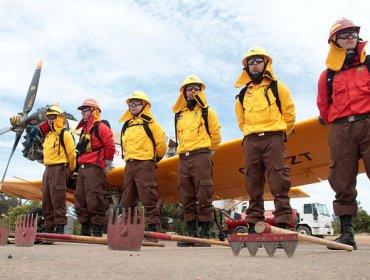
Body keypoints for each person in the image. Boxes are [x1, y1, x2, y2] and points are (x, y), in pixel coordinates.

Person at [317, 18, 370, 250]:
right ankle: (347, 233)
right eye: (344, 35)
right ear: (334, 42)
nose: (350, 37)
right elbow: (323, 107)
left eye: (353, 34)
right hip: (340, 128)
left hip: (368, 122)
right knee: (341, 178)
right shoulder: (327, 75)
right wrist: (339, 124)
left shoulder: (368, 64)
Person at [234, 47, 296, 234]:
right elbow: (241, 120)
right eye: (250, 62)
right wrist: (251, 133)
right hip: (251, 141)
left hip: (274, 138)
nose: (254, 65)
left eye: (258, 61)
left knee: (279, 180)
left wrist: (280, 133)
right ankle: (253, 223)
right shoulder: (243, 94)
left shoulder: (278, 87)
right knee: (253, 181)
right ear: (246, 67)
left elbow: (289, 115)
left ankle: (283, 223)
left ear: (266, 64)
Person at [172, 75, 221, 246]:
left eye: (196, 88)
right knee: (186, 195)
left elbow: (216, 136)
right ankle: (191, 233)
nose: (192, 91)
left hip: (201, 155)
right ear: (184, 93)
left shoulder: (208, 112)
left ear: (201, 91)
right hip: (183, 158)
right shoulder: (179, 115)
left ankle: (204, 234)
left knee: (204, 193)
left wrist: (206, 153)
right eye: (189, 89)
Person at [118, 91, 167, 235]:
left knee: (148, 196)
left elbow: (162, 147)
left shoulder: (151, 124)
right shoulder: (126, 125)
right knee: (127, 198)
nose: (132, 105)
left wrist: (151, 160)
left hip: (145, 164)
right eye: (130, 103)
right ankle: (128, 230)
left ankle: (153, 230)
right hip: (129, 165)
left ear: (144, 105)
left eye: (136, 102)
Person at [74, 98, 115, 237]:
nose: (82, 113)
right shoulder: (84, 130)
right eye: (82, 110)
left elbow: (110, 146)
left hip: (95, 168)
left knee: (95, 197)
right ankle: (84, 227)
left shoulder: (101, 127)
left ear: (94, 111)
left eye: (85, 110)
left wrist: (106, 163)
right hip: (82, 168)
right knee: (79, 198)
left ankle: (97, 227)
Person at [38, 105, 76, 234]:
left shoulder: (65, 134)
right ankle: (48, 225)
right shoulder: (48, 136)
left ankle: (60, 226)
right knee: (46, 198)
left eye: (52, 117)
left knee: (58, 197)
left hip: (59, 167)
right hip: (47, 169)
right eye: (48, 117)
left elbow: (71, 154)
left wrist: (69, 169)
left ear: (59, 118)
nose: (49, 120)